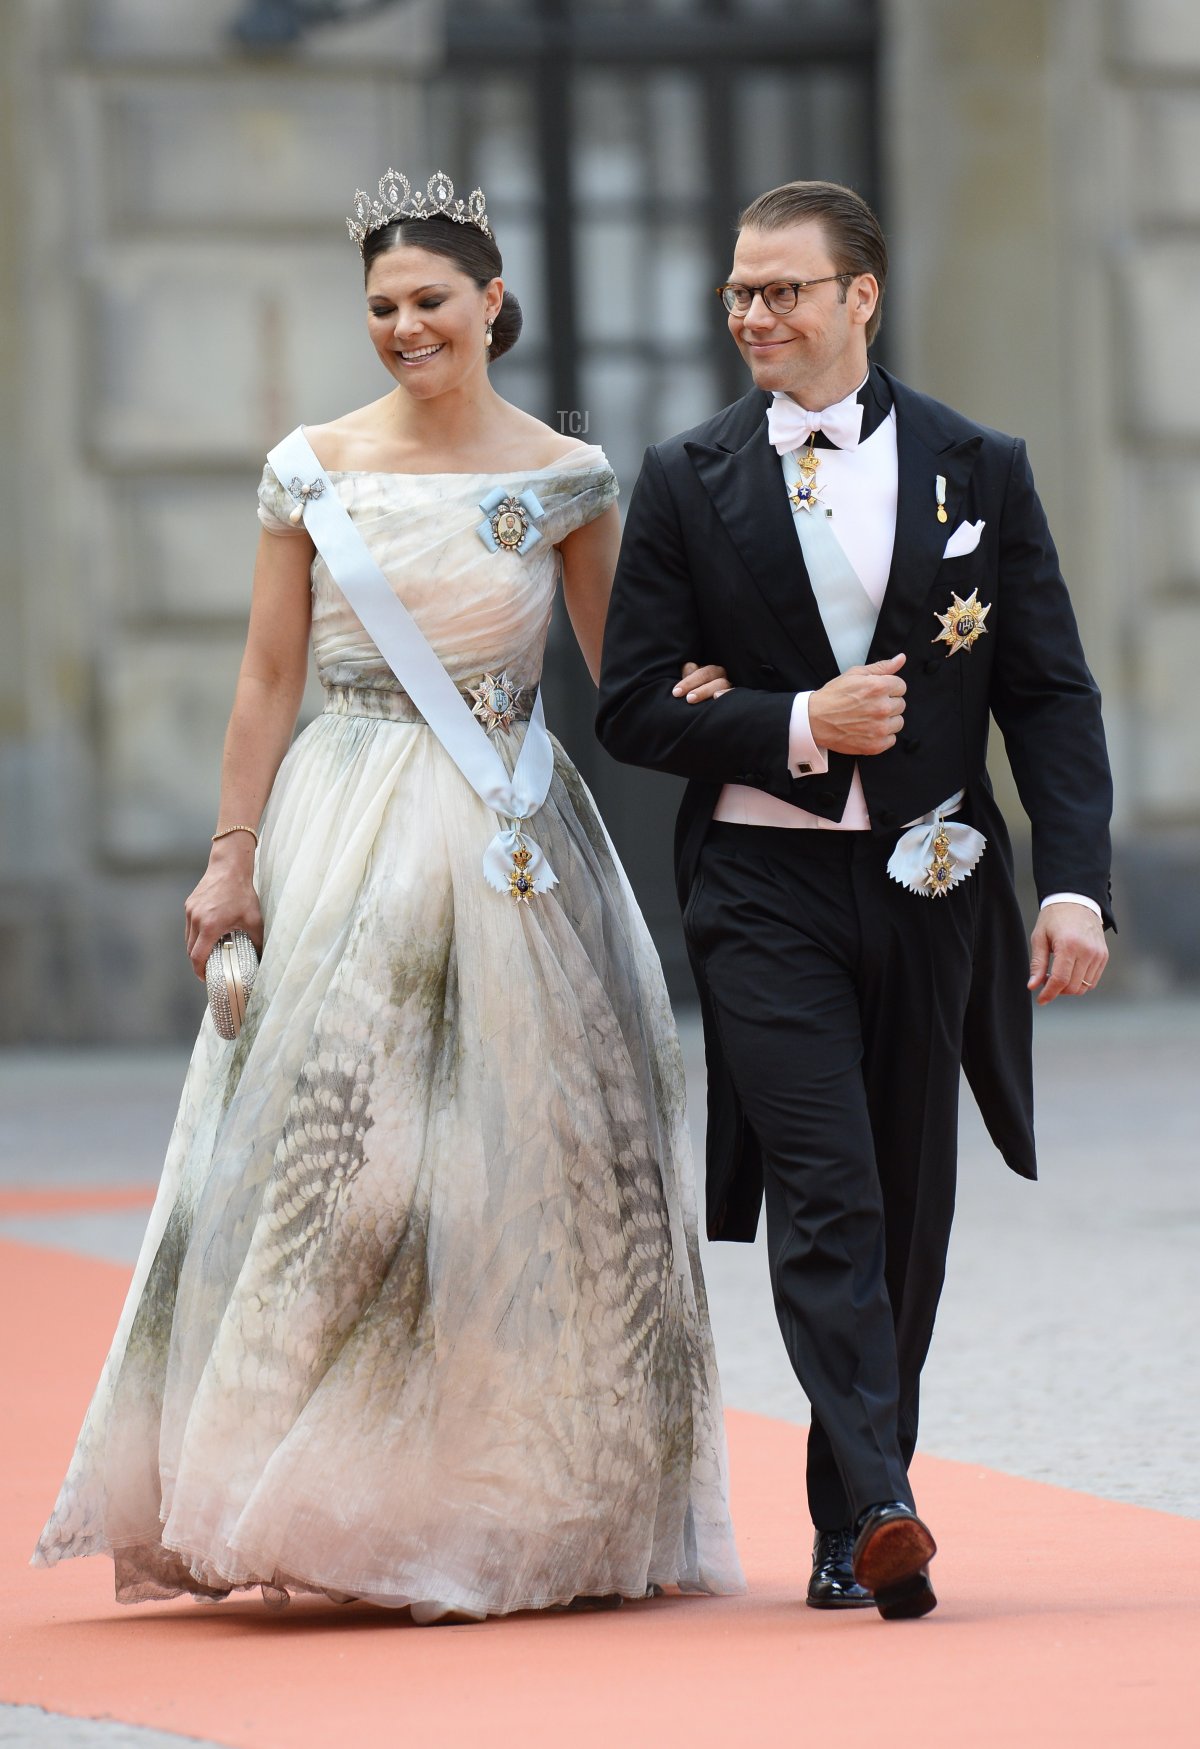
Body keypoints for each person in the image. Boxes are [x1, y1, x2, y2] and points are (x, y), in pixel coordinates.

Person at [33, 171, 744, 1620]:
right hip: (346, 819)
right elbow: (265, 677)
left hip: (514, 839)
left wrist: (752, 710)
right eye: (380, 307)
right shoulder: (312, 465)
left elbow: (629, 681)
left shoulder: (565, 477)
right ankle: (308, 1496)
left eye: (430, 300)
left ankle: (513, 1505)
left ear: (492, 301)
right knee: (334, 1159)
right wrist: (231, 855)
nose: (404, 326)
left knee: (525, 1165)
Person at [596, 179, 1113, 1621]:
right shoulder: (687, 476)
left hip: (932, 882)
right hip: (763, 885)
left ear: (860, 298)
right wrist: (794, 720)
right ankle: (888, 1499)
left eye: (785, 291)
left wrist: (1071, 881)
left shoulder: (979, 467)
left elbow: (1050, 693)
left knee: (904, 1201)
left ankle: (847, 1511)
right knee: (825, 1182)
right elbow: (632, 703)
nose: (755, 315)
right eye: (739, 294)